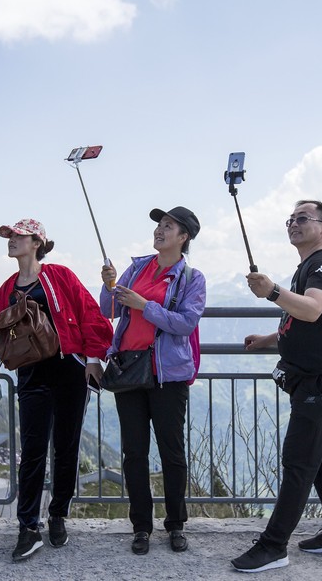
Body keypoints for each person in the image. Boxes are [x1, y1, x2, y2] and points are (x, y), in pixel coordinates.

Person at [231, 200, 322, 573]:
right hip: (315, 375)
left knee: (299, 460)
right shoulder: (309, 266)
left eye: (303, 218)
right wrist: (271, 338)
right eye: (291, 218)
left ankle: (273, 546)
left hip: (321, 377)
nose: (294, 223)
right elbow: (306, 319)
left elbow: (313, 309)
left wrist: (272, 291)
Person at [0, 218, 112, 562]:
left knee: (66, 447)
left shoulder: (59, 276)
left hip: (68, 369)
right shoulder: (8, 287)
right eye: (9, 236)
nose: (11, 240)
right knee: (33, 450)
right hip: (30, 374)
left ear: (37, 242)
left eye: (18, 236)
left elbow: (90, 314)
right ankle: (28, 526)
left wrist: (93, 358)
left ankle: (57, 515)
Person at [99, 206, 206, 556]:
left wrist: (145, 305)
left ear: (184, 237)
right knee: (135, 454)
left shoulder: (192, 278)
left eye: (168, 226)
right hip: (130, 369)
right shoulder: (137, 267)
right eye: (159, 225)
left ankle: (176, 524)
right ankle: (141, 526)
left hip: (168, 376)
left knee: (172, 453)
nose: (160, 230)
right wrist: (109, 285)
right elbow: (109, 309)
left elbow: (186, 323)